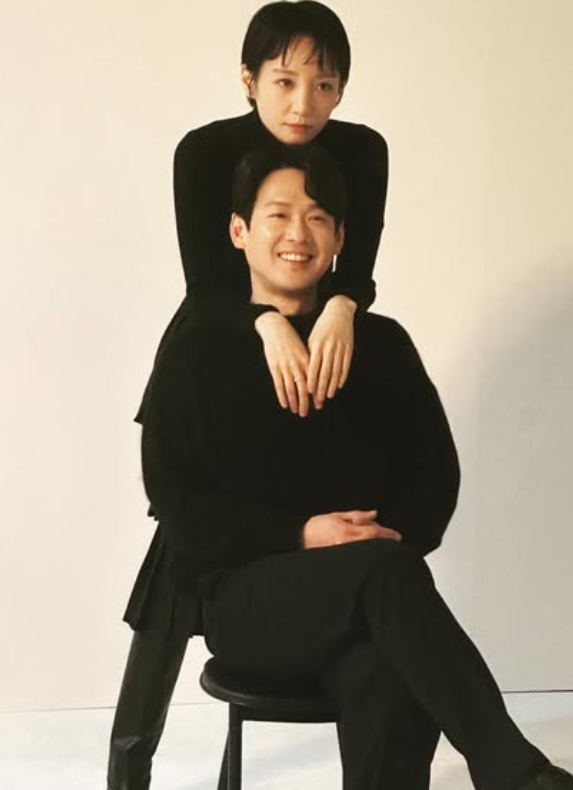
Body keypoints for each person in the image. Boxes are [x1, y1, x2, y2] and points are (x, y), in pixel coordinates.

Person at [112, 145, 573, 790]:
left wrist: (378, 540)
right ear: (239, 230)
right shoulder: (196, 354)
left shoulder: (382, 345)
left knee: (388, 661)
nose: (298, 234)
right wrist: (304, 535)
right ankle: (513, 772)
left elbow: (434, 479)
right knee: (387, 580)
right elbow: (179, 505)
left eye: (318, 218)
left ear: (340, 239)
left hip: (373, 596)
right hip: (246, 606)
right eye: (278, 215)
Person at [136, 0, 389, 422]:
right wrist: (267, 323)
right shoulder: (204, 151)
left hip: (320, 333)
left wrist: (342, 307)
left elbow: (357, 271)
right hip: (216, 332)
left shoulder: (362, 151)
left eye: (323, 85)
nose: (303, 105)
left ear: (341, 90)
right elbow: (204, 287)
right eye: (285, 82)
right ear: (249, 80)